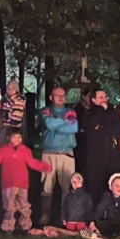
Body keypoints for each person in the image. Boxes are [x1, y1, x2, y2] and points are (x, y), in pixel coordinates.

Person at [0, 130, 51, 233]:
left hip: (22, 184)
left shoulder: (25, 150)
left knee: (24, 206)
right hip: (8, 183)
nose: (17, 139)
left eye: (19, 137)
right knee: (9, 207)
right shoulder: (4, 150)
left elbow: (33, 163)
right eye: (14, 137)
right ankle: (8, 227)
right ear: (8, 138)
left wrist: (45, 167)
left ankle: (25, 227)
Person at [37, 86, 78, 226]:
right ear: (51, 97)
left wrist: (57, 123)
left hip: (67, 153)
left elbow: (74, 127)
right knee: (47, 185)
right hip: (49, 153)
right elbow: (49, 124)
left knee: (68, 186)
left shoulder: (71, 111)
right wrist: (64, 121)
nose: (61, 98)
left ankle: (65, 216)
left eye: (63, 95)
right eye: (57, 95)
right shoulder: (45, 111)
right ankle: (45, 215)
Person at [76, 88, 120, 202]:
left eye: (105, 97)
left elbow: (118, 128)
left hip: (110, 155)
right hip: (94, 157)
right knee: (95, 185)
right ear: (93, 100)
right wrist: (100, 109)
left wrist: (100, 128)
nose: (104, 100)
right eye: (100, 98)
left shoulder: (113, 113)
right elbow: (89, 124)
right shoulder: (88, 113)